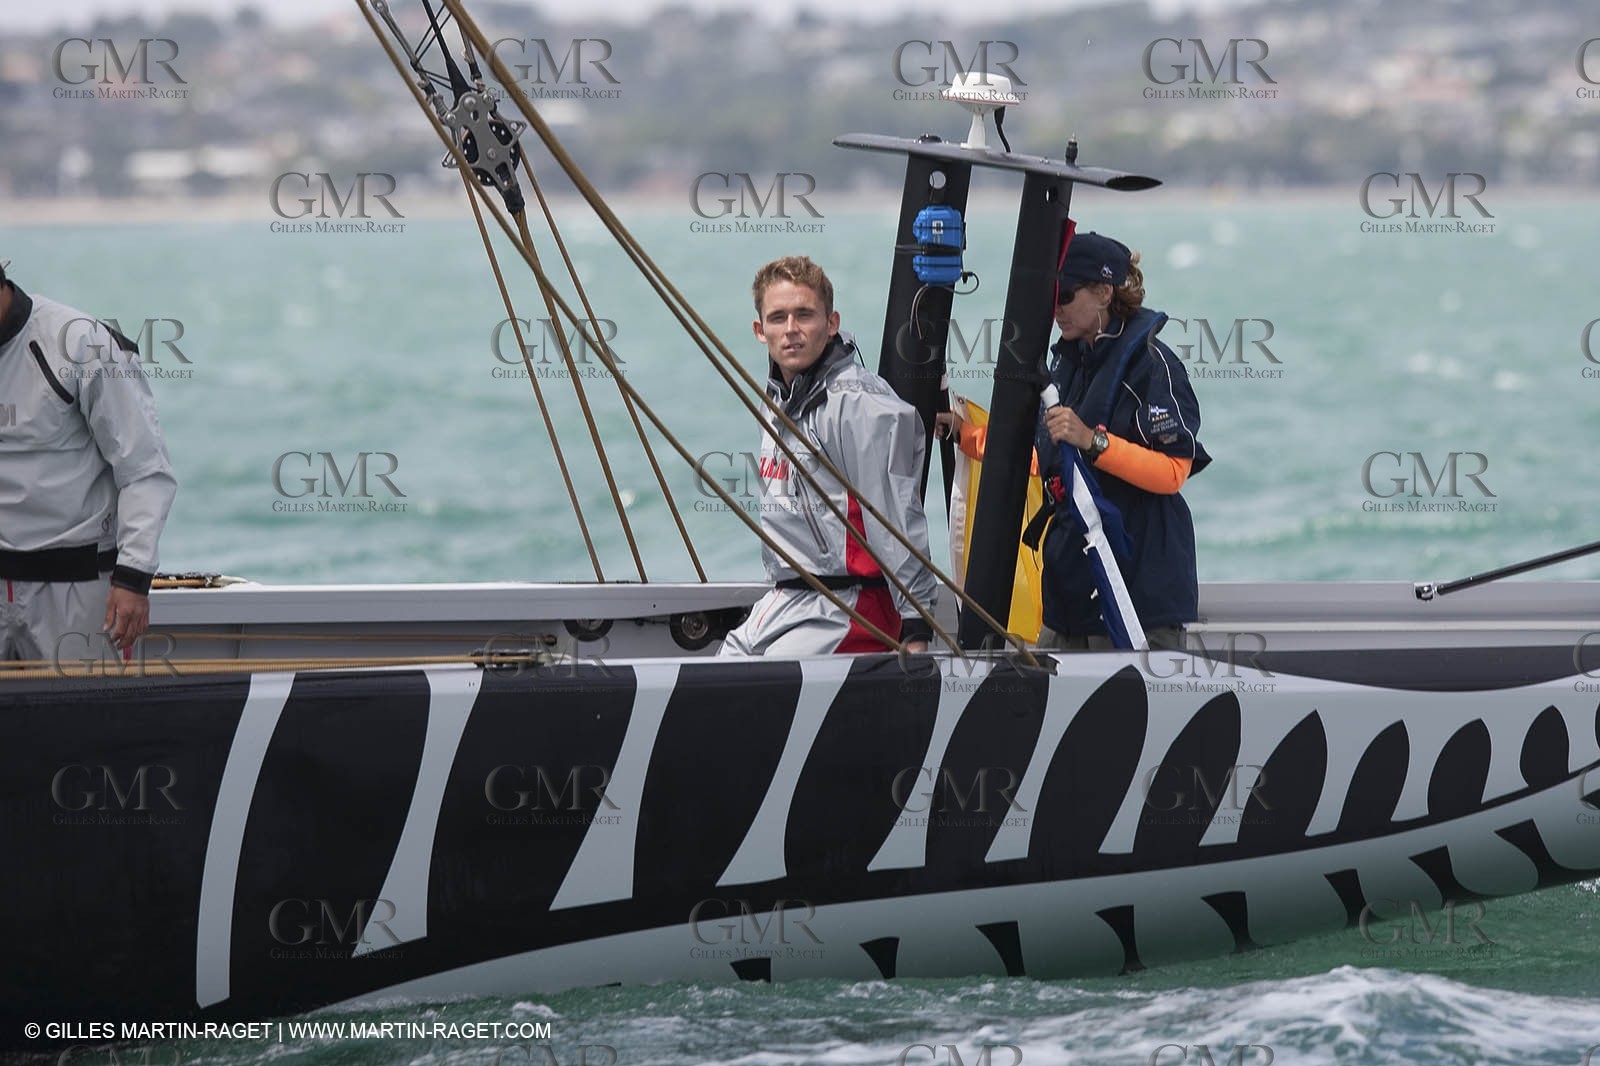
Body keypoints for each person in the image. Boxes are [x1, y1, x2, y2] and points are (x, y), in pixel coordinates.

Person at [936, 232, 1209, 650]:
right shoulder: (1066, 363)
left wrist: (1092, 442)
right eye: (1051, 298)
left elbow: (1173, 472)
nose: (1056, 309)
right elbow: (1042, 456)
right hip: (1069, 596)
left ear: (1104, 292)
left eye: (1065, 295)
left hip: (1136, 600)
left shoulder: (1153, 366)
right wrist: (964, 433)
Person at [718, 256, 937, 656]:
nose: (791, 329)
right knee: (719, 674)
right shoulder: (776, 401)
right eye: (778, 318)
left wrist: (917, 622)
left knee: (759, 682)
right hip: (787, 599)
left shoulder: (859, 405)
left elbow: (894, 516)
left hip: (853, 605)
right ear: (759, 331)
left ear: (832, 323)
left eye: (804, 315)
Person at [0, 262, 178, 661]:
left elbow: (145, 469)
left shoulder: (80, 342)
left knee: (88, 705)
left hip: (77, 588)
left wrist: (133, 578)